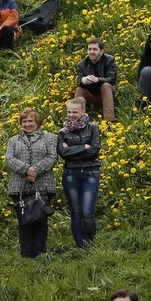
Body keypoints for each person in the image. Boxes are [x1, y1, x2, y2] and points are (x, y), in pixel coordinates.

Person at [2, 106, 57, 258]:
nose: (27, 124)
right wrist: (26, 169)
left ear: (37, 122)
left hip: (43, 185)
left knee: (40, 221)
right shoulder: (12, 140)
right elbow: (9, 159)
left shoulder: (50, 138)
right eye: (24, 121)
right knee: (24, 221)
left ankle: (40, 253)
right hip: (19, 187)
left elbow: (52, 157)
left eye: (30, 121)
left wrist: (36, 170)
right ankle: (26, 254)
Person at [56, 98, 102, 246]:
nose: (71, 115)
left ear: (83, 112)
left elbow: (94, 152)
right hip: (71, 174)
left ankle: (90, 244)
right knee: (75, 212)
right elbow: (62, 153)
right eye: (69, 112)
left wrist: (72, 150)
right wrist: (84, 147)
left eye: (75, 112)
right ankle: (80, 246)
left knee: (87, 212)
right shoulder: (62, 132)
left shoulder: (93, 128)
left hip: (90, 173)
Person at [73, 38, 119, 123]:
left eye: (95, 49)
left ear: (101, 51)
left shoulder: (109, 60)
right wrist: (83, 80)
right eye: (89, 49)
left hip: (107, 93)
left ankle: (109, 120)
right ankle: (75, 120)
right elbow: (78, 81)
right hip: (91, 96)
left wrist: (97, 80)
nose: (91, 52)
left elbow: (112, 79)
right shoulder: (81, 64)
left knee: (105, 85)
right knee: (79, 89)